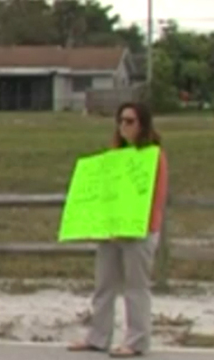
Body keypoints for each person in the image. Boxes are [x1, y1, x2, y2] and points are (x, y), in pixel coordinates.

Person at [67, 102, 168, 358]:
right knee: (104, 284)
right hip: (111, 231)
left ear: (142, 124)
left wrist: (135, 225)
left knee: (136, 287)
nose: (124, 126)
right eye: (121, 120)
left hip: (139, 232)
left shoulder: (153, 156)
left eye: (130, 121)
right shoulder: (114, 155)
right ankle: (98, 336)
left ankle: (136, 341)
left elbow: (154, 197)